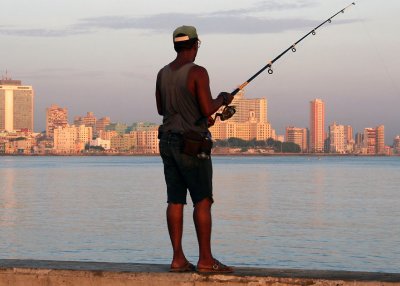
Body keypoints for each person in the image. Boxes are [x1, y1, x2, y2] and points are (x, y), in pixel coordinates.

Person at [155, 25, 234, 273]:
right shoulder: (198, 72)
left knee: (175, 200)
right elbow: (208, 107)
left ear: (176, 45)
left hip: (167, 141)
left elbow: (161, 109)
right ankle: (206, 260)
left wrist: (198, 116)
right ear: (195, 45)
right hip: (191, 145)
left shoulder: (162, 73)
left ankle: (178, 259)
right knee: (202, 200)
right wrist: (223, 98)